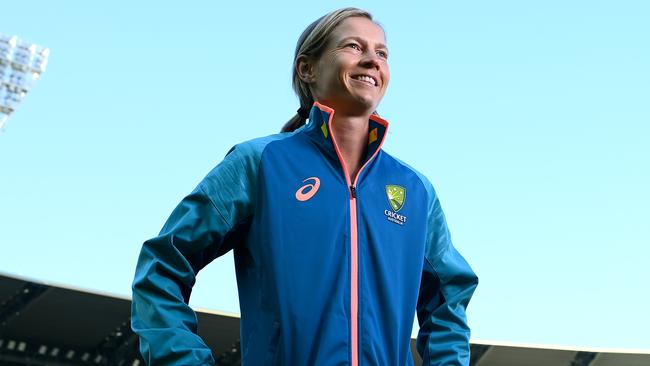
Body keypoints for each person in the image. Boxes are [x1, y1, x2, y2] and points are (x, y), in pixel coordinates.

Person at [131, 7, 478, 366]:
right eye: (354, 47)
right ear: (307, 68)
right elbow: (162, 266)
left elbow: (449, 300)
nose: (372, 61)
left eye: (381, 53)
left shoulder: (415, 191)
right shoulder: (260, 163)